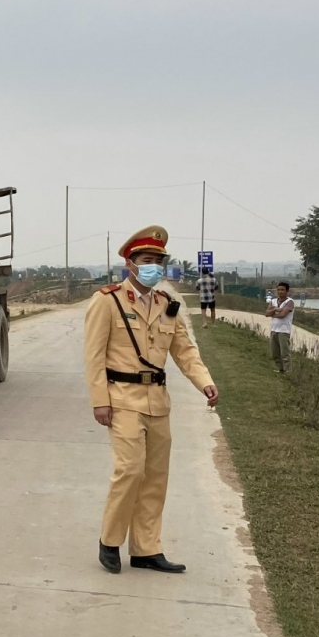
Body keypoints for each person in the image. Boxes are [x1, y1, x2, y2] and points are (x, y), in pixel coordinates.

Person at [84, 225, 219, 575]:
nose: (155, 267)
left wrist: (204, 382)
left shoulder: (166, 305)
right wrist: (100, 400)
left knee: (155, 476)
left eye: (159, 261)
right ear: (130, 263)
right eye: (148, 260)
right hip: (122, 398)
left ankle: (146, 549)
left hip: (158, 401)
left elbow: (185, 351)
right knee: (129, 470)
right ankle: (110, 541)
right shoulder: (108, 300)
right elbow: (94, 356)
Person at [265, 282, 296, 373]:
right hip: (274, 329)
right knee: (275, 353)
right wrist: (275, 309)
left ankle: (287, 371)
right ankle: (280, 369)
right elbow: (267, 313)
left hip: (284, 330)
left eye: (282, 290)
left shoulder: (289, 302)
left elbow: (283, 314)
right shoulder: (273, 301)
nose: (280, 292)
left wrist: (273, 313)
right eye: (278, 290)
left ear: (287, 291)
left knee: (284, 353)